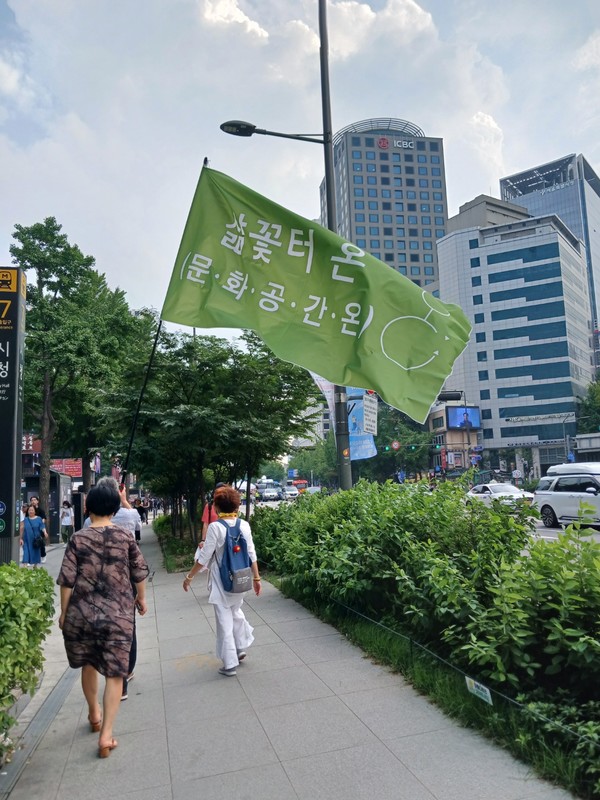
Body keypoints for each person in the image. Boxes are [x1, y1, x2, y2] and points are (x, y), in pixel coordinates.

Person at [57, 478, 149, 758]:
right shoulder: (124, 536)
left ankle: (94, 714)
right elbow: (139, 571)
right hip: (118, 613)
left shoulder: (78, 538)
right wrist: (140, 599)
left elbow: (66, 580)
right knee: (115, 672)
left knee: (88, 663)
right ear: (112, 508)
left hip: (83, 614)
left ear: (88, 508)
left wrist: (64, 613)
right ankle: (107, 735)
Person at [183, 485, 261, 676]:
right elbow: (252, 553)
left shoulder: (216, 527)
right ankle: (240, 647)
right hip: (241, 578)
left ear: (217, 507)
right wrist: (256, 577)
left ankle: (229, 664)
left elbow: (204, 558)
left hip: (221, 580)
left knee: (224, 620)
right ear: (236, 505)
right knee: (236, 612)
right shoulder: (244, 525)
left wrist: (189, 576)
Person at [82, 479, 141, 700]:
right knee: (128, 628)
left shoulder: (89, 523)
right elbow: (137, 524)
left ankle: (111, 673)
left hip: (98, 582)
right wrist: (124, 501)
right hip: (125, 580)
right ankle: (126, 671)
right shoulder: (127, 516)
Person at [20, 504, 48, 568]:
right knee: (26, 552)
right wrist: (21, 538)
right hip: (26, 539)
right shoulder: (25, 519)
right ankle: (25, 567)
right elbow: (22, 528)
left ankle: (35, 566)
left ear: (35, 511)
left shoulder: (39, 519)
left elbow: (42, 526)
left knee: (35, 552)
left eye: (32, 510)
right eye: (29, 510)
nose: (31, 511)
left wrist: (45, 532)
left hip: (35, 539)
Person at [199, 482, 226, 548]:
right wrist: (203, 540)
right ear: (214, 494)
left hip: (225, 538)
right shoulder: (209, 507)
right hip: (212, 538)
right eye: (219, 492)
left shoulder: (228, 506)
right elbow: (205, 524)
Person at [30, 496, 47, 563]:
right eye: (32, 500)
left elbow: (43, 519)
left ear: (37, 501)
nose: (33, 501)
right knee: (31, 543)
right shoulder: (29, 510)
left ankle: (43, 555)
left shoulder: (41, 510)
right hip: (31, 530)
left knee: (40, 543)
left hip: (39, 529)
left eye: (34, 500)